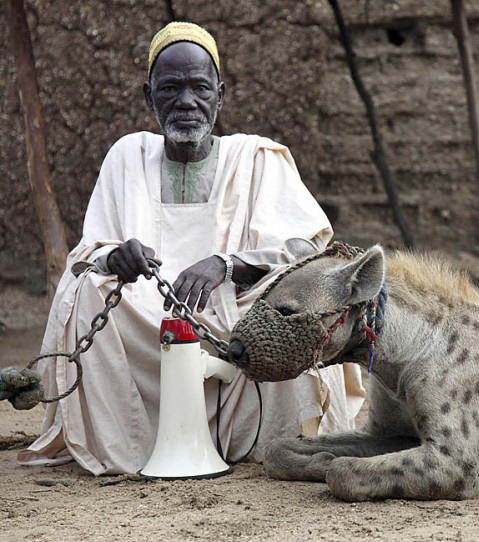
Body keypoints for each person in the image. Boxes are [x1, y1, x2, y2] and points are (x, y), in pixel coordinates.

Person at [19, 22, 365, 475]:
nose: (186, 102)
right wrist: (115, 258)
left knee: (291, 305)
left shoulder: (257, 157)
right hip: (143, 312)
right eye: (171, 88)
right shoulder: (127, 156)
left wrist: (226, 264)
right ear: (149, 96)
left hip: (236, 309)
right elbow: (89, 252)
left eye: (200, 88)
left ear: (220, 94)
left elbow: (307, 250)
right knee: (85, 293)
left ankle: (261, 439)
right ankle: (130, 443)